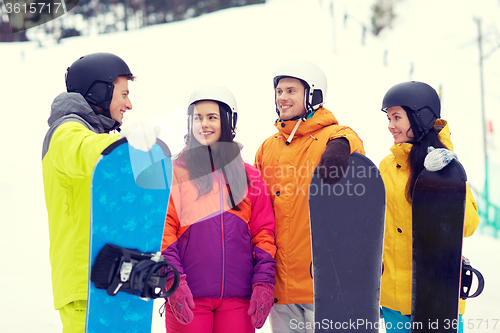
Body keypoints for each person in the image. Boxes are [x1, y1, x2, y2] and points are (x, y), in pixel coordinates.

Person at [42, 52, 157, 333]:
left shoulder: (95, 136)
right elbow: (86, 151)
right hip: (85, 287)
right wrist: (130, 146)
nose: (129, 104)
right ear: (99, 91)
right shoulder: (66, 133)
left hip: (109, 277)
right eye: (124, 94)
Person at [253, 61, 365, 333]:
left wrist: (343, 140)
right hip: (280, 289)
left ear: (312, 95)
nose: (282, 97)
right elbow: (255, 214)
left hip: (323, 287)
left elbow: (357, 153)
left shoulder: (332, 139)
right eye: (279, 91)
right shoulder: (267, 148)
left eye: (291, 90)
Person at [160, 85, 277, 333]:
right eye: (197, 118)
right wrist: (173, 281)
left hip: (238, 301)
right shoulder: (175, 172)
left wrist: (264, 282)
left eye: (212, 117)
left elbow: (264, 233)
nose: (204, 124)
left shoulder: (249, 176)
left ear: (228, 121)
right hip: (190, 298)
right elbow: (164, 231)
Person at [379, 81, 480, 332]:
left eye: (397, 117)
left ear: (420, 117)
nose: (390, 125)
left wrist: (446, 180)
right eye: (388, 118)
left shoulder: (446, 165)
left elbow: (467, 226)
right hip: (393, 300)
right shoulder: (386, 166)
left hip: (438, 298)